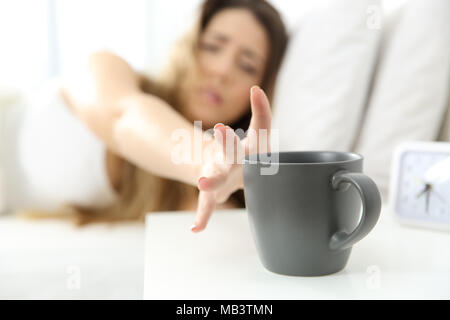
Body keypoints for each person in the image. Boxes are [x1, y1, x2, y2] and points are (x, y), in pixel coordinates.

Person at [0, 0, 288, 232]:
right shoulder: (108, 70)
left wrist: (246, 177)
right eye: (212, 47)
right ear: (187, 47)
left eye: (247, 65)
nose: (223, 70)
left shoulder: (198, 192)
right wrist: (207, 158)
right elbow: (123, 117)